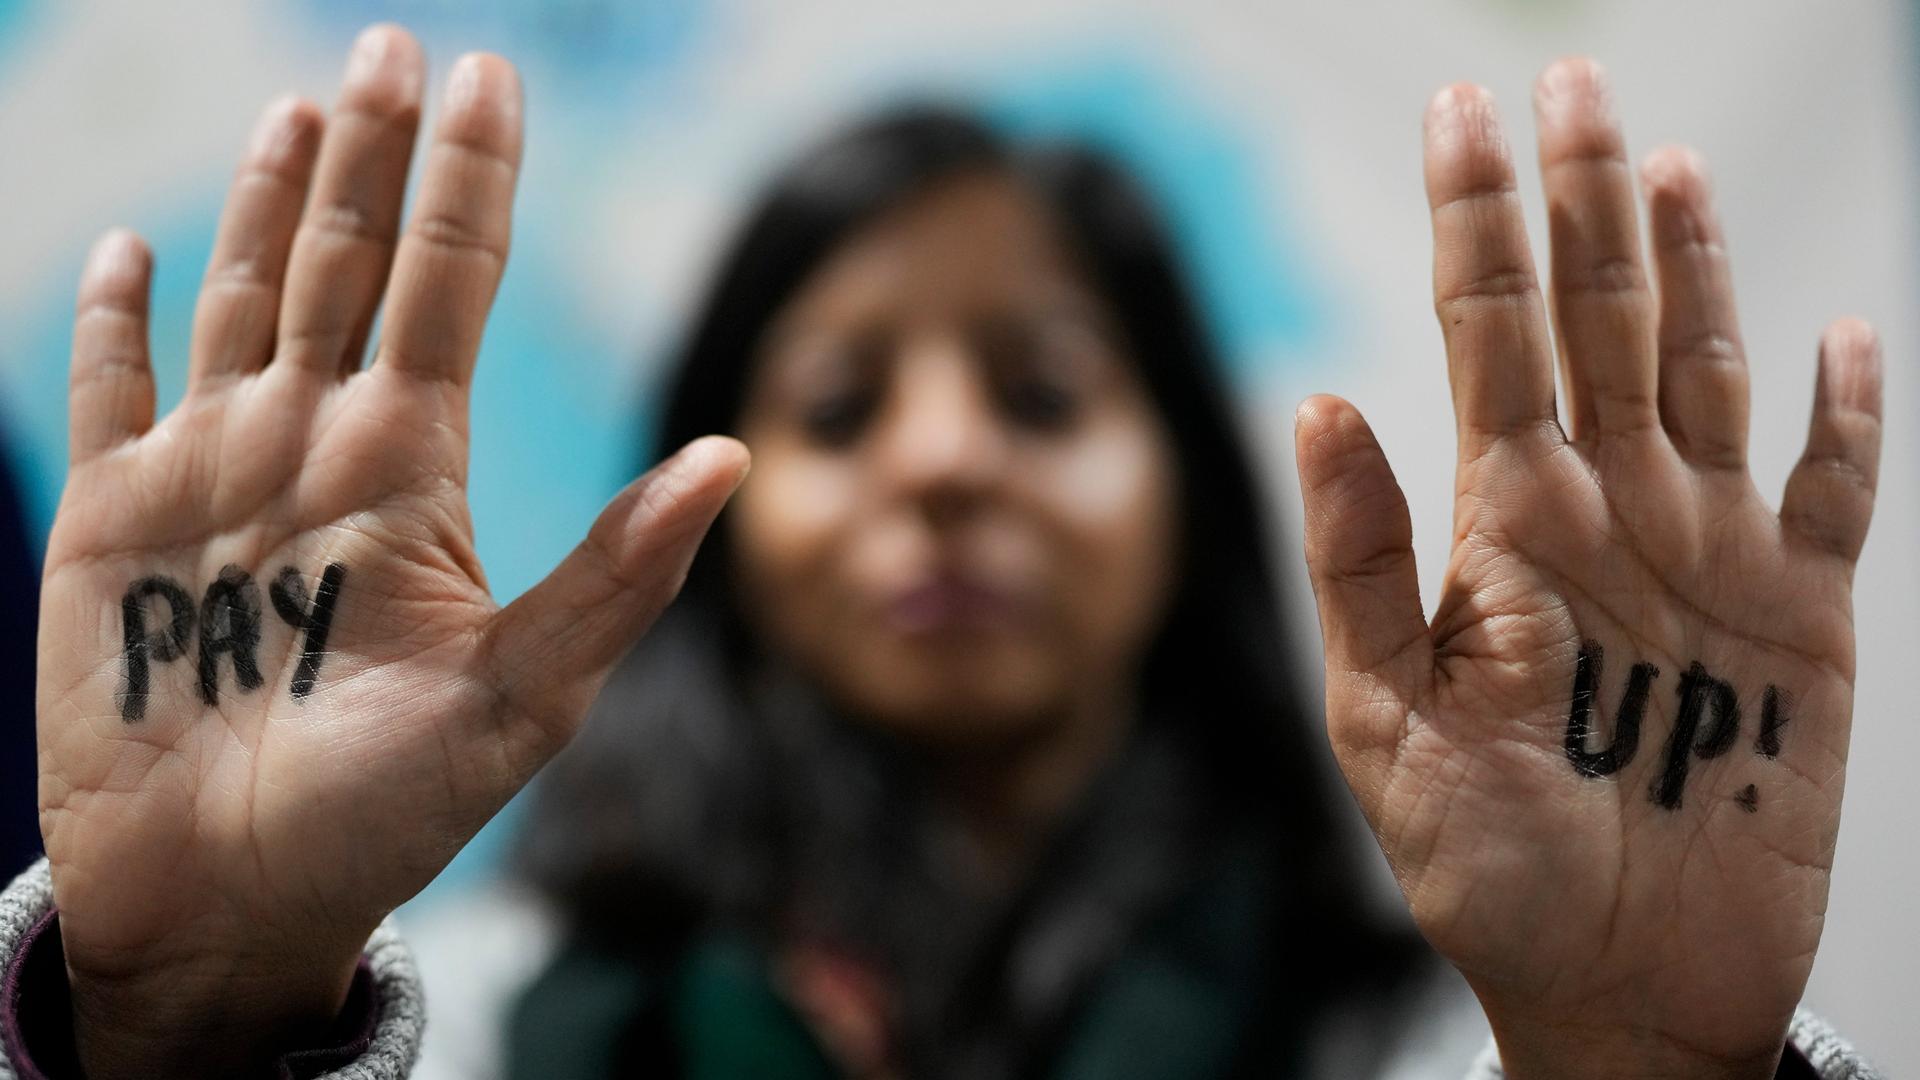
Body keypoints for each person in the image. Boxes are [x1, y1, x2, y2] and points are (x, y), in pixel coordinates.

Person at [0, 22, 1886, 1080]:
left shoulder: (1450, 1038)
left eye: (1045, 393)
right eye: (833, 411)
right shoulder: (458, 1034)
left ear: (1184, 504)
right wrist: (184, 1031)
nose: (947, 464)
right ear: (709, 529)